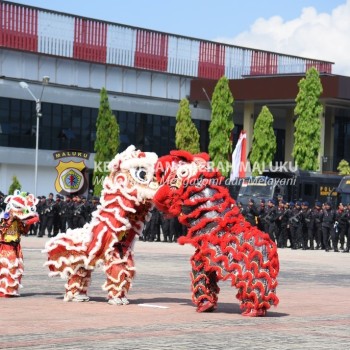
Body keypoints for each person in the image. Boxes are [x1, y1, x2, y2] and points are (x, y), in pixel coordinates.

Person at [0, 191, 39, 297]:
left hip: (16, 246)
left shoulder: (19, 220)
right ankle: (4, 290)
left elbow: (24, 231)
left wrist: (26, 223)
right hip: (6, 245)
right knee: (7, 267)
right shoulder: (4, 217)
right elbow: (2, 230)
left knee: (17, 267)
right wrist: (10, 220)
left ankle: (12, 290)